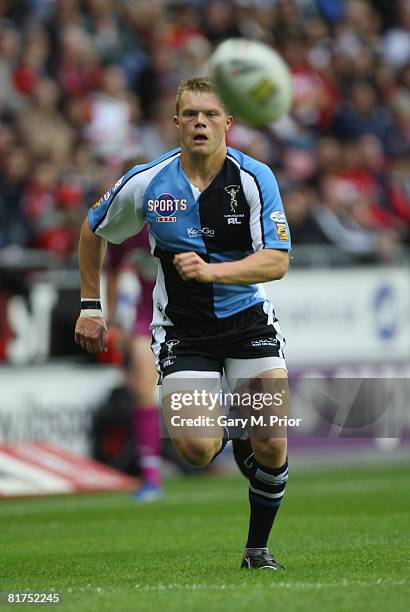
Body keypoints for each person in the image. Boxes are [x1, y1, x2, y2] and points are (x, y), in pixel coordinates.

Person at [75, 77, 291, 570]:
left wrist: (213, 271)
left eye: (211, 115)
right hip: (183, 332)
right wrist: (91, 306)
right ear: (175, 122)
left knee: (272, 440)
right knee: (195, 449)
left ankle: (257, 551)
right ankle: (235, 436)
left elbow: (277, 261)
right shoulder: (148, 181)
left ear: (228, 123)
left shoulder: (255, 178)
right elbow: (92, 227)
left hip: (247, 321)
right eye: (191, 114)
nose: (200, 122)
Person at [105, 228, 162, 502]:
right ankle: (150, 476)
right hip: (147, 316)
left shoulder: (184, 214)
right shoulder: (126, 228)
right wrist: (114, 319)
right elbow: (113, 269)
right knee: (142, 388)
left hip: (188, 315)